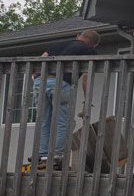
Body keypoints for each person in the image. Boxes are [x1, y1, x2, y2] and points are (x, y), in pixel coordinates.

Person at [33, 29, 100, 164]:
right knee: (63, 122)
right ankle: (56, 155)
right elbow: (86, 78)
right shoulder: (89, 51)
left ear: (78, 36)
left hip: (40, 82)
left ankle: (42, 155)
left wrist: (35, 76)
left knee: (43, 121)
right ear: (94, 45)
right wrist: (87, 99)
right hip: (60, 83)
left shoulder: (58, 44)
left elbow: (42, 58)